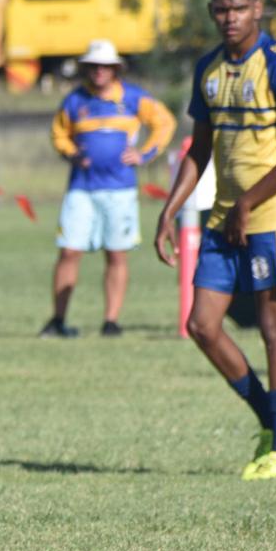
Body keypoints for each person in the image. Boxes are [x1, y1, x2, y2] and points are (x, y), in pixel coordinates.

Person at [154, 0, 276, 480]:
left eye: (239, 9)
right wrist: (170, 209)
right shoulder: (209, 68)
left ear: (257, 9)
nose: (230, 18)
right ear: (211, 11)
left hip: (273, 216)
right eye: (221, 9)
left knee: (273, 327)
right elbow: (198, 150)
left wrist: (249, 202)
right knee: (201, 325)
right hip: (227, 219)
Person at [41, 38, 176, 338]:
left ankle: (111, 321)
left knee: (116, 254)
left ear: (116, 69)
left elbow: (165, 123)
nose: (99, 71)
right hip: (82, 188)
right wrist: (71, 153)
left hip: (120, 189)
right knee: (69, 251)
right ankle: (58, 320)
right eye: (93, 66)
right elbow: (58, 134)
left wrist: (145, 153)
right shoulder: (75, 101)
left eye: (105, 66)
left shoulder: (133, 98)